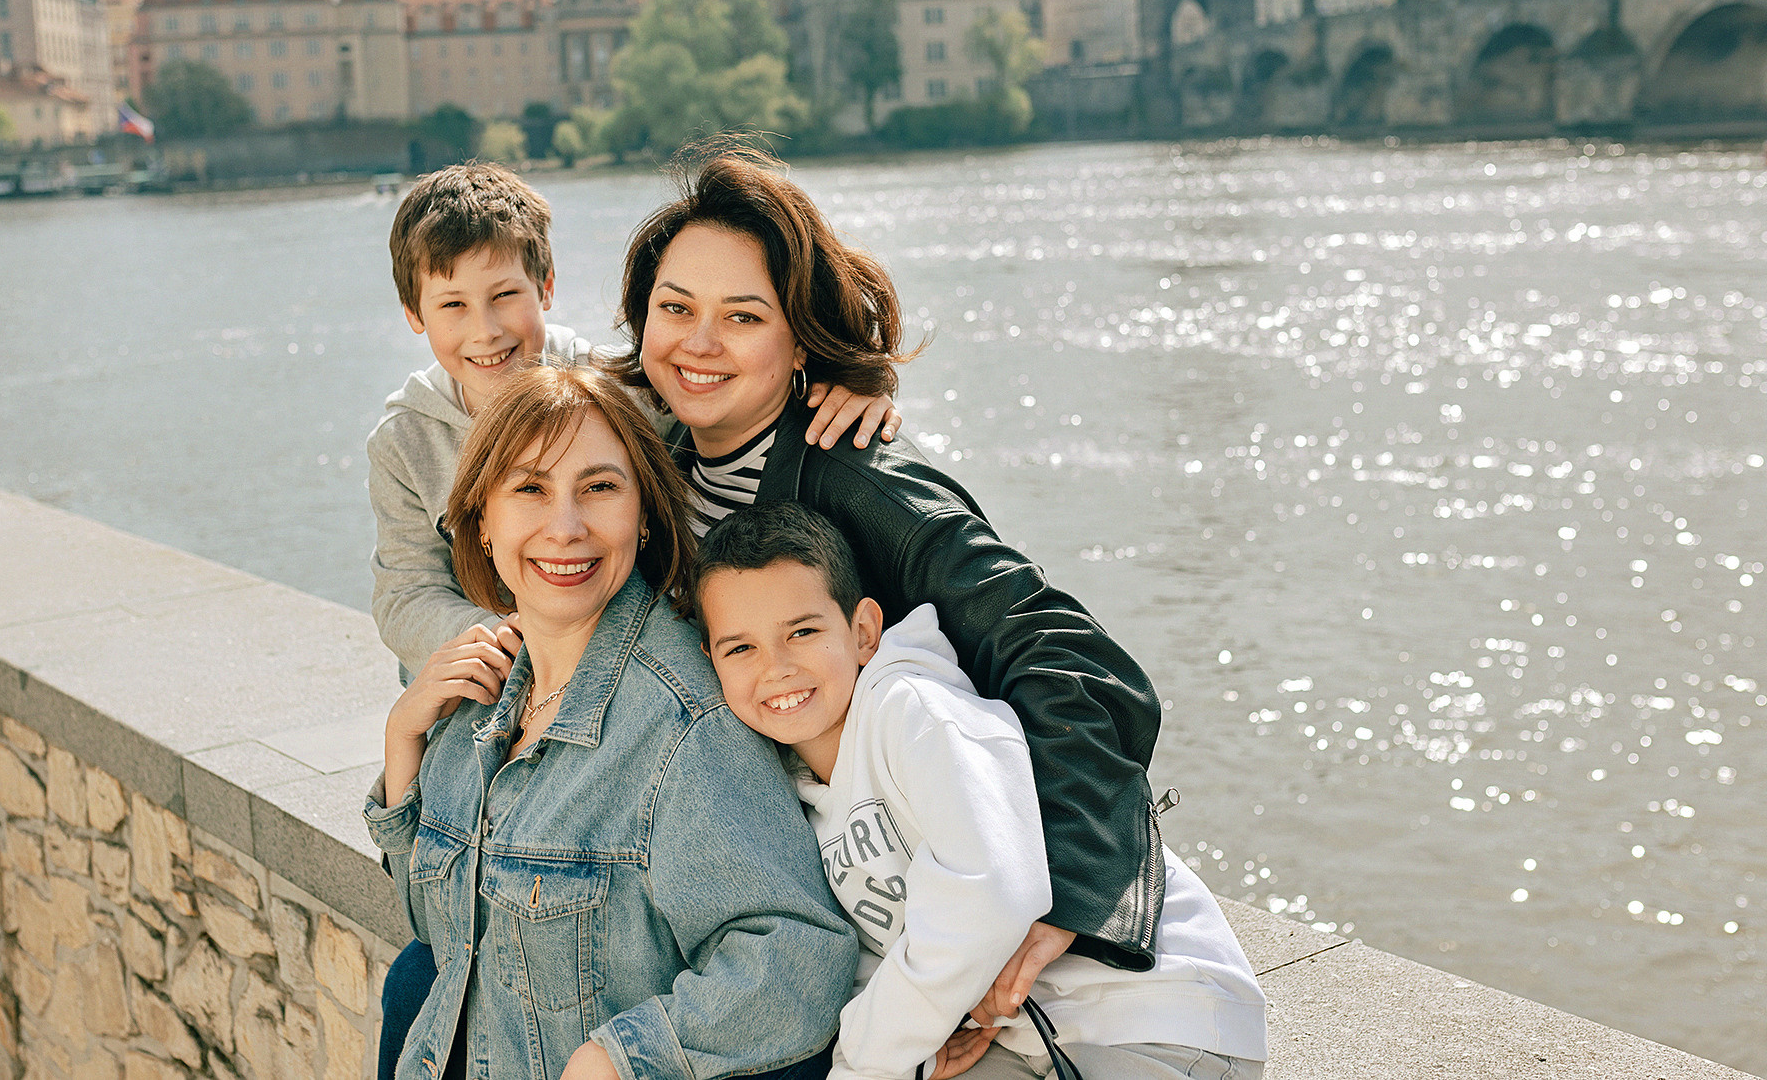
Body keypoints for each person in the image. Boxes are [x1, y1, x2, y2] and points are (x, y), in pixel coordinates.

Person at [366, 162, 898, 1074]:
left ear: (648, 508)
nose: (563, 525)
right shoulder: (483, 701)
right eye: (527, 490)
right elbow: (445, 921)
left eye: (599, 488)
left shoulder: (679, 726)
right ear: (481, 525)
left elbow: (797, 954)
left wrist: (623, 1055)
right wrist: (406, 748)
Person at [608, 139, 1165, 988]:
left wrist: (1068, 897)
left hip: (883, 924)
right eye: (676, 308)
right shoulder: (646, 460)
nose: (700, 342)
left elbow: (1072, 661)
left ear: (800, 344)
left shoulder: (863, 478)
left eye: (745, 316)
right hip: (747, 891)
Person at [695, 503, 1266, 1080]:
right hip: (1020, 1039)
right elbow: (870, 949)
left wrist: (862, 1063)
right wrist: (915, 1049)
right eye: (741, 648)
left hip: (1152, 1014)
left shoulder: (916, 711)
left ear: (863, 632)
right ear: (711, 662)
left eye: (803, 631)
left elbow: (992, 893)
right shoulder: (785, 791)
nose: (778, 667)